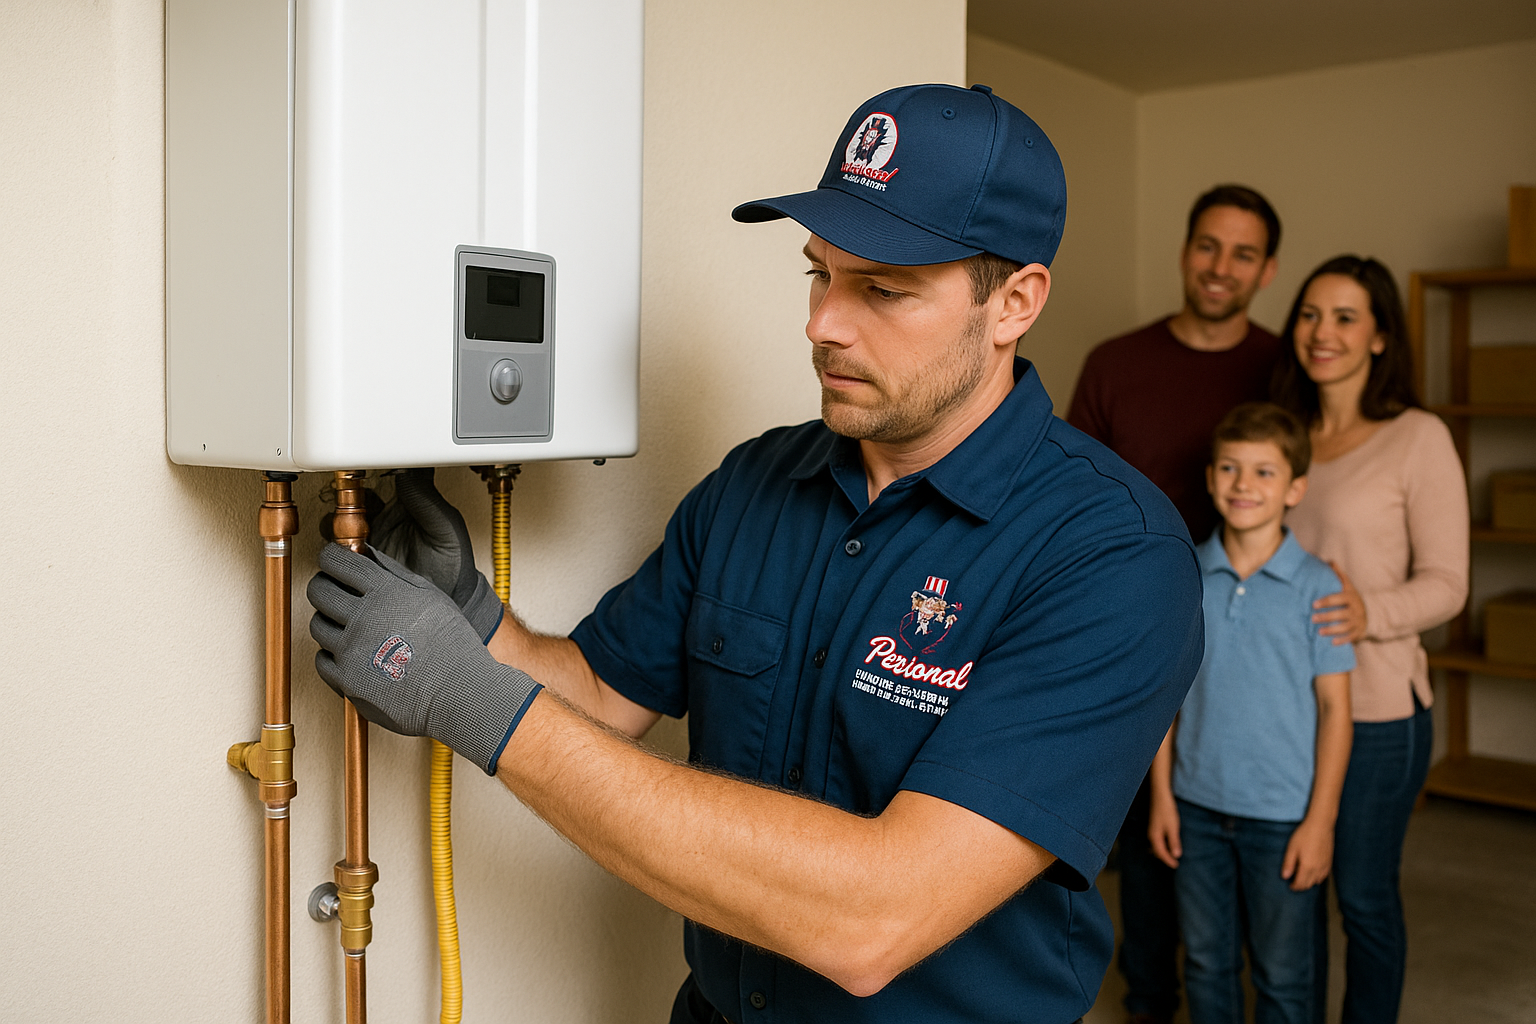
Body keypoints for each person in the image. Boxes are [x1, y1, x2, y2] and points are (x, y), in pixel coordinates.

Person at [308, 83, 1204, 1024]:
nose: (823, 323)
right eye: (820, 273)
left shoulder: (1113, 557)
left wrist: (464, 694)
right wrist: (473, 624)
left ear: (1014, 302)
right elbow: (603, 698)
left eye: (884, 289)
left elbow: (874, 917)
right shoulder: (758, 482)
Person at [1066, 183, 1283, 1024]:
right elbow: (1076, 493)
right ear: (1185, 248)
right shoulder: (1117, 363)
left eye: (1242, 253)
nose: (1220, 267)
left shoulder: (1279, 369)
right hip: (1129, 633)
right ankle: (1152, 1002)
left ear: (1266, 271)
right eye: (1208, 245)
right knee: (1138, 847)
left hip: (1243, 644)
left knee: (1235, 851)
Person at [1272, 256, 1468, 1024]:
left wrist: (1367, 612)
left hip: (1381, 712)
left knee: (1362, 896)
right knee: (1297, 889)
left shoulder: (1418, 438)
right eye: (1311, 314)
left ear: (1381, 337)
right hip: (1288, 709)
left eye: (1346, 318)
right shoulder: (1284, 437)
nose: (1323, 333)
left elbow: (1450, 585)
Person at [1148, 402, 1354, 1024]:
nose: (1244, 485)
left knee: (1284, 975)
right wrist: (1163, 798)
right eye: (1231, 469)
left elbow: (1337, 713)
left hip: (1283, 818)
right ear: (1211, 478)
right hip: (1197, 809)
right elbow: (1165, 703)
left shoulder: (1320, 588)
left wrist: (1320, 823)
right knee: (1207, 963)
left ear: (1295, 488)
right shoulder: (1187, 577)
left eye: (1265, 473)